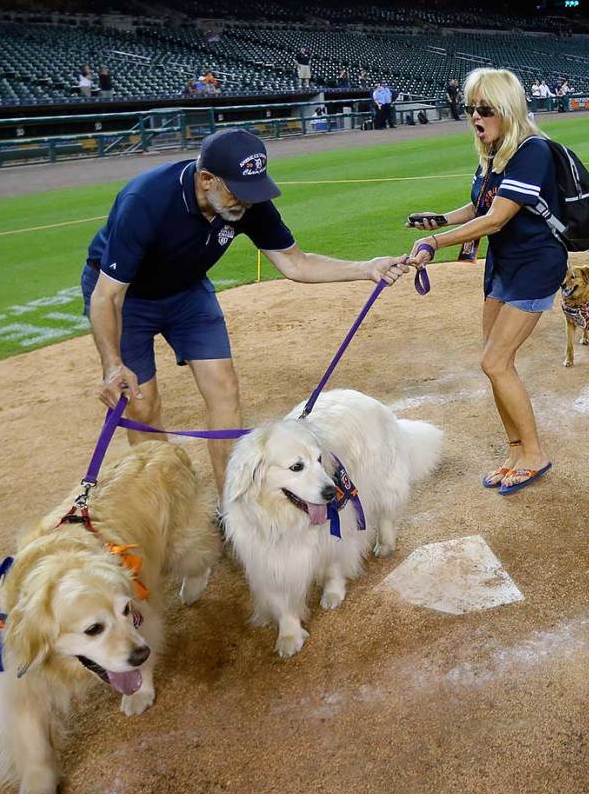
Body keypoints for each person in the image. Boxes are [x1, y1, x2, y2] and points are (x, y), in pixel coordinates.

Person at [82, 129, 411, 493]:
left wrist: (366, 268)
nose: (248, 202)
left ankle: (231, 507)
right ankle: (170, 499)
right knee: (142, 407)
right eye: (238, 190)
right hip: (128, 298)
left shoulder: (246, 202)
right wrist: (112, 364)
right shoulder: (145, 201)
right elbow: (106, 297)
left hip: (187, 290)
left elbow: (295, 263)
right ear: (207, 180)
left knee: (224, 387)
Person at [405, 68, 563, 494]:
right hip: (504, 265)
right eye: (470, 108)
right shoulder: (495, 153)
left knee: (494, 362)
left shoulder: (532, 151)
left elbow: (496, 219)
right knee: (497, 365)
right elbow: (480, 206)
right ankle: (516, 451)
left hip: (534, 265)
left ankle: (535, 454)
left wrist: (434, 241)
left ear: (507, 110)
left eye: (485, 109)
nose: (475, 116)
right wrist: (439, 220)